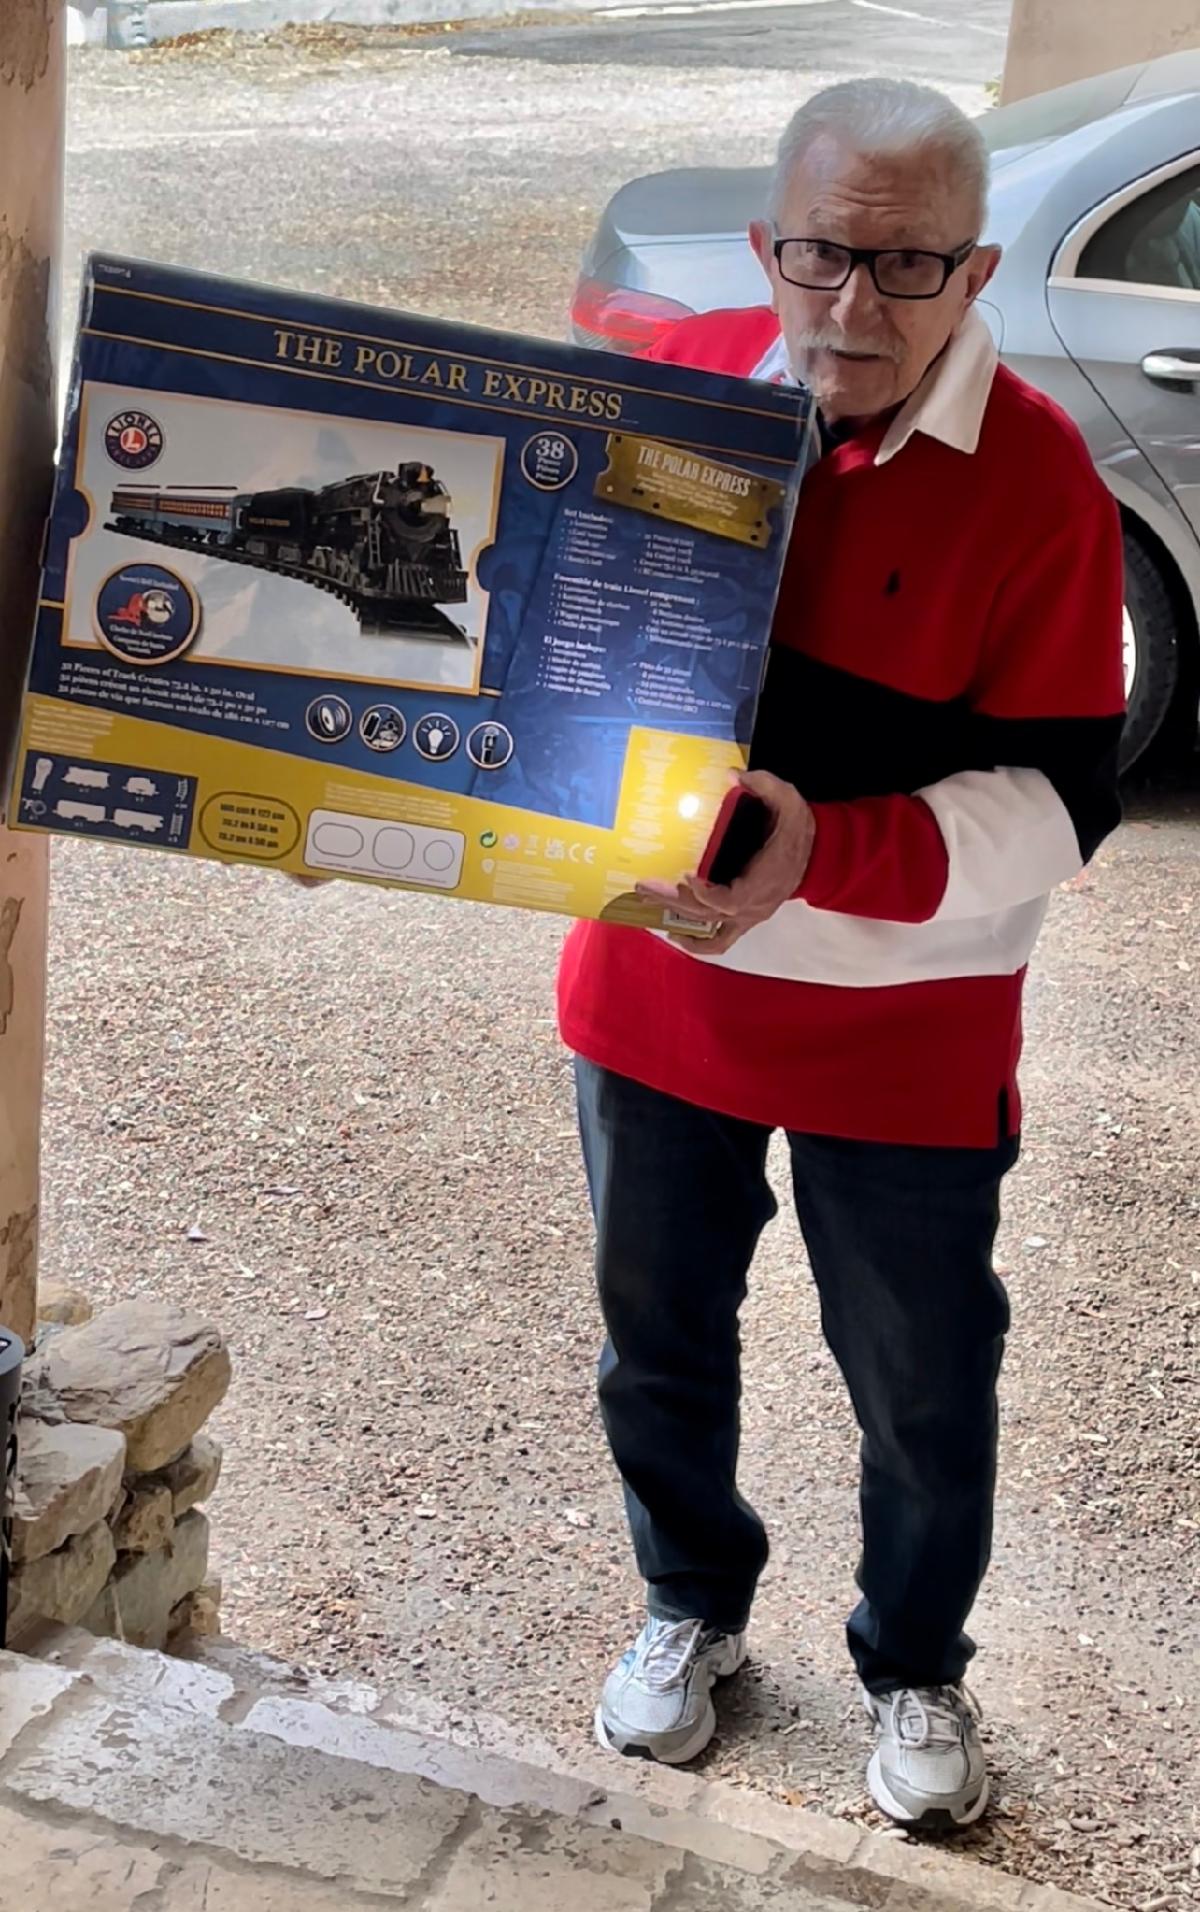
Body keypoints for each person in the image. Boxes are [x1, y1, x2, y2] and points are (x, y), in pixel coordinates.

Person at [557, 77, 1126, 1831]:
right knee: (656, 1339)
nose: (854, 304)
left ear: (977, 270)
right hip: (655, 995)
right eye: (821, 254)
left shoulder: (1041, 479)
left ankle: (916, 1662)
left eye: (908, 264)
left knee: (924, 1385)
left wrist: (829, 857)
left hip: (908, 1029)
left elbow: (1061, 804)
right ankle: (690, 1601)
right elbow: (508, 651)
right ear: (768, 247)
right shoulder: (665, 401)